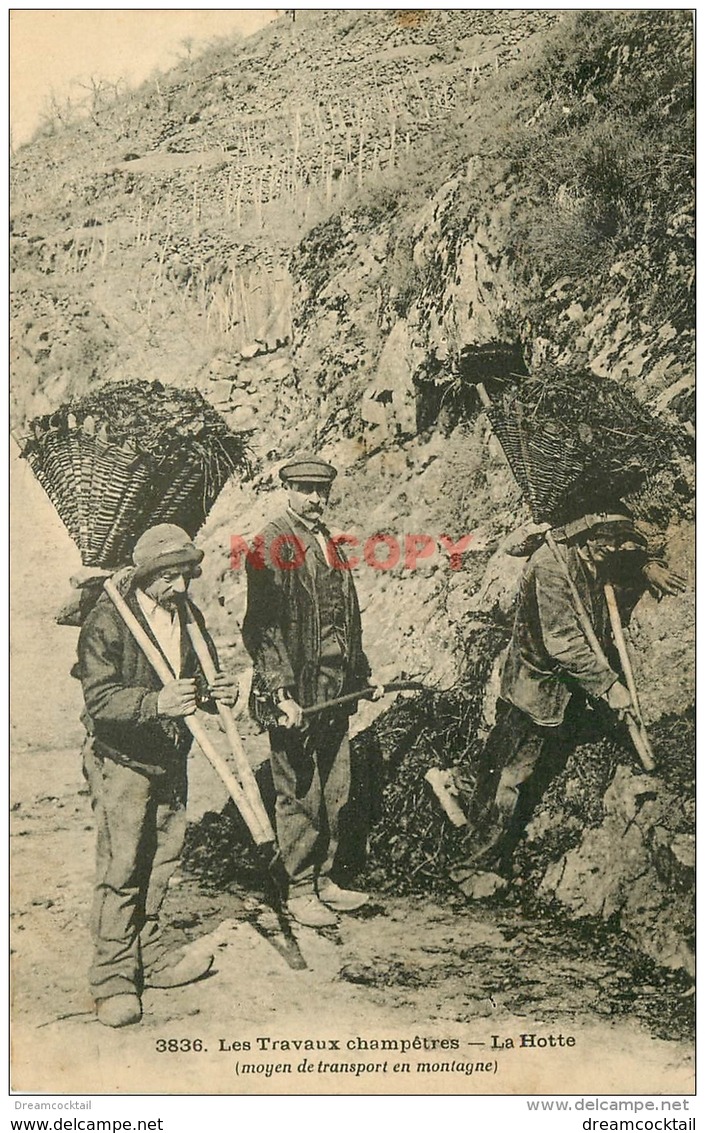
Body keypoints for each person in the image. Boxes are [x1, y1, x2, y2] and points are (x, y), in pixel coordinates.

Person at [76, 524, 239, 1027]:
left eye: (186, 574)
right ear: (146, 576)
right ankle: (113, 979)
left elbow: (200, 680)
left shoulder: (187, 614)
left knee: (164, 857)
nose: (181, 586)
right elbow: (100, 699)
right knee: (123, 867)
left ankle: (150, 953)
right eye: (169, 577)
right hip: (122, 759)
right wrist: (156, 702)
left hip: (170, 755)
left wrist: (218, 694)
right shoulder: (108, 620)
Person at [465, 511, 686, 880]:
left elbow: (622, 563)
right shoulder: (551, 567)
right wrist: (608, 685)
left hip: (563, 694)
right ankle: (471, 865)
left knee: (501, 767)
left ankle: (467, 798)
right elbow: (563, 644)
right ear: (586, 536)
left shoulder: (594, 554)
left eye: (618, 544)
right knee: (510, 779)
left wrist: (647, 568)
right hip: (535, 691)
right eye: (608, 543)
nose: (614, 550)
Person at [242, 454, 383, 928]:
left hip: (334, 688)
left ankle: (325, 879)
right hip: (297, 692)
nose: (316, 499)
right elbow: (260, 628)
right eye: (306, 490)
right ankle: (298, 886)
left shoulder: (327, 542)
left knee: (335, 787)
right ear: (287, 490)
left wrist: (362, 675)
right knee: (299, 790)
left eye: (321, 491)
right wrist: (280, 691)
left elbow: (347, 616)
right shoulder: (270, 542)